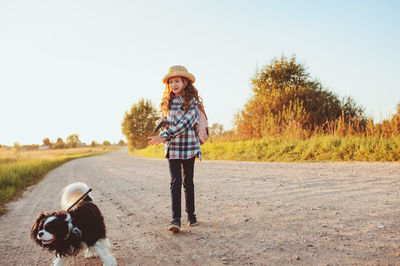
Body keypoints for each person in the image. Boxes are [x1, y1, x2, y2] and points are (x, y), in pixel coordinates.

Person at [148, 65, 203, 233]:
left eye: (177, 81)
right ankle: (176, 219)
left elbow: (186, 124)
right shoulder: (167, 102)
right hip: (173, 147)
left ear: (185, 82)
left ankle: (191, 215)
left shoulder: (192, 102)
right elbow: (168, 120)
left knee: (188, 182)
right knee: (175, 182)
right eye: (171, 82)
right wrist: (162, 124)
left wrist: (166, 134)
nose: (174, 85)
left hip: (188, 146)